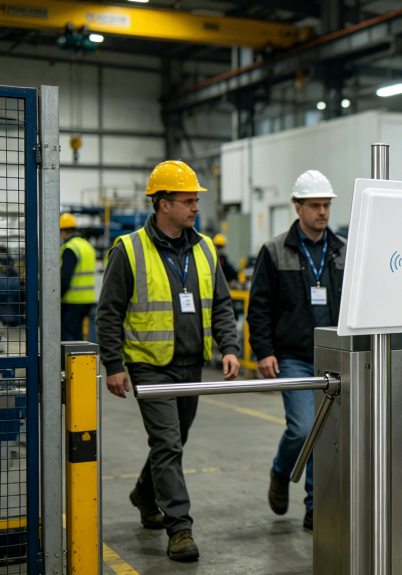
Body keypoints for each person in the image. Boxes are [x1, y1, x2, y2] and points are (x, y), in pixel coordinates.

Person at [97, 160, 241, 562]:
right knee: (167, 442)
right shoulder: (128, 250)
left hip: (191, 364)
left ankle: (145, 494)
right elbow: (108, 312)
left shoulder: (205, 248)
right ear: (163, 204)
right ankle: (179, 528)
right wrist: (113, 364)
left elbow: (222, 304)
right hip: (149, 364)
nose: (196, 207)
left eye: (196, 200)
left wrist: (229, 346)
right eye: (188, 200)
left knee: (175, 442)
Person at [247, 169, 345, 530]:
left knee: (325, 432)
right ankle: (280, 471)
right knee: (303, 429)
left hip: (334, 356)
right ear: (298, 207)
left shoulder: (343, 251)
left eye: (326, 205)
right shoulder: (274, 251)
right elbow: (259, 307)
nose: (322, 212)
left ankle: (314, 505)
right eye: (315, 205)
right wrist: (263, 351)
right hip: (293, 356)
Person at [59, 213, 96, 340]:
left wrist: (57, 297)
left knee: (67, 336)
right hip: (88, 300)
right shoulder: (87, 246)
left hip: (72, 301)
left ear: (63, 231)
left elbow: (65, 277)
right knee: (78, 336)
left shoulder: (70, 248)